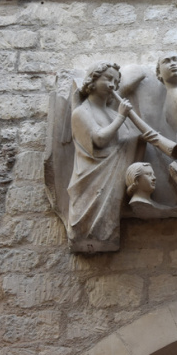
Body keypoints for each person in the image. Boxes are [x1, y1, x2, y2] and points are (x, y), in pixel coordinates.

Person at [67, 62, 147, 250]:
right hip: (91, 177)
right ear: (92, 81)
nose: (113, 84)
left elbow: (126, 140)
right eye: (108, 78)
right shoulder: (81, 112)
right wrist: (121, 117)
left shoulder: (111, 112)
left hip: (113, 175)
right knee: (88, 225)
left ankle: (106, 236)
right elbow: (100, 139)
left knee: (108, 224)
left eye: (116, 81)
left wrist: (144, 136)